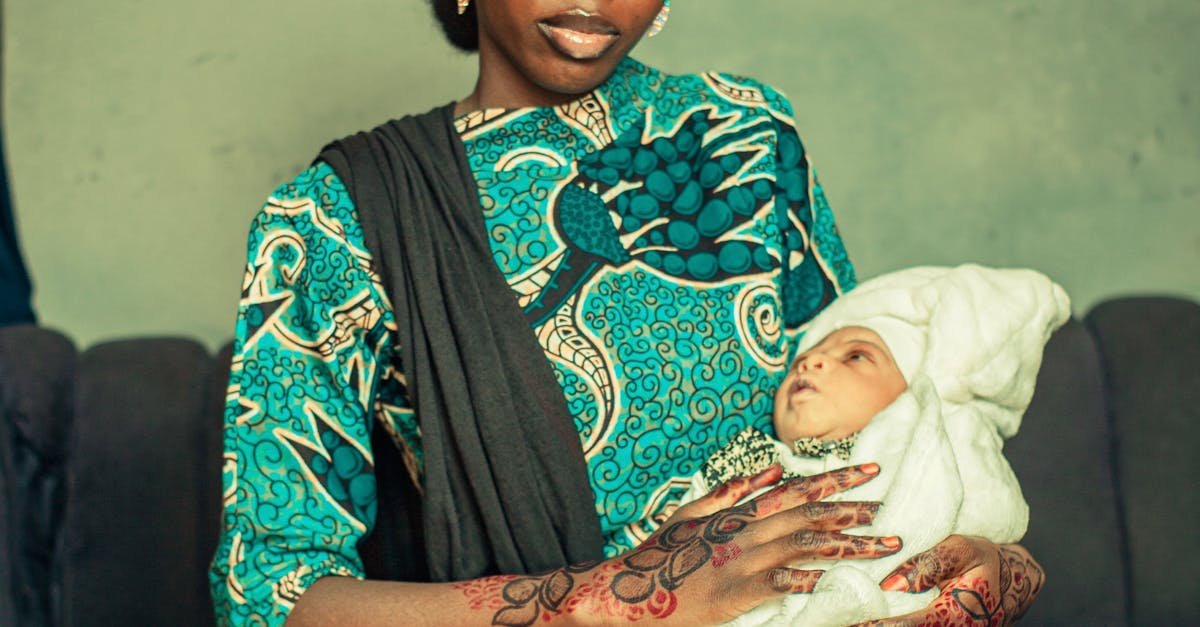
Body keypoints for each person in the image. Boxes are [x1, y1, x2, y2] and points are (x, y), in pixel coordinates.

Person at [209, 2, 1045, 625]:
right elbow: (270, 596)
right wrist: (608, 599)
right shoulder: (333, 220)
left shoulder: (747, 130)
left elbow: (874, 418)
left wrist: (994, 564)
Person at [678, 264, 1069, 626]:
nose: (809, 364)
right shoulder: (748, 461)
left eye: (856, 356)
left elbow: (986, 512)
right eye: (805, 359)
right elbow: (679, 545)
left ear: (911, 393)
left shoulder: (921, 449)